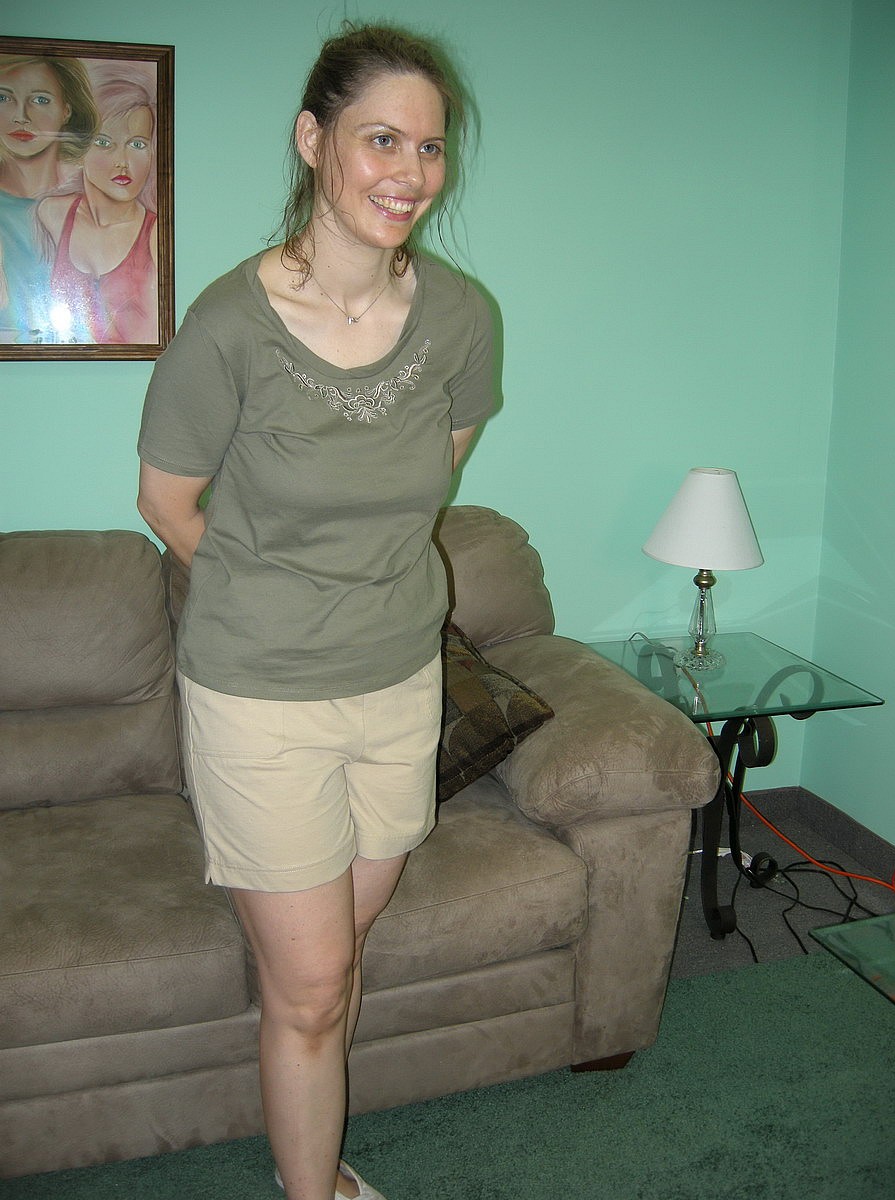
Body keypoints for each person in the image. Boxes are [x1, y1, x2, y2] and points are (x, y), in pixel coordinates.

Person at [136, 23, 494, 1200]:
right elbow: (166, 504)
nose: (410, 172)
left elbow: (431, 476)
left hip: (400, 685)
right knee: (306, 988)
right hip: (263, 696)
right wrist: (277, 595)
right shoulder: (227, 329)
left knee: (337, 968)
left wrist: (355, 597)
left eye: (430, 147)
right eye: (380, 139)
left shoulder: (462, 319)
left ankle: (321, 1168)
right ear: (313, 139)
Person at [36, 64, 159, 344]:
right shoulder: (51, 214)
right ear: (81, 149)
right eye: (104, 142)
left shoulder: (156, 234)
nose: (122, 162)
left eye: (137, 144)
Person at [0, 53, 97, 339]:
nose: (21, 116)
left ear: (67, 110)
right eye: (4, 98)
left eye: (40, 99)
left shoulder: (96, 206)